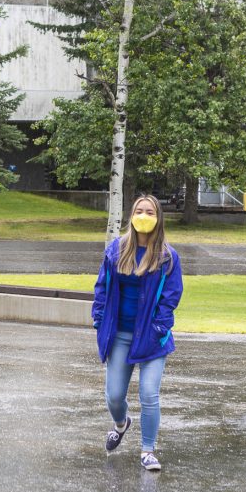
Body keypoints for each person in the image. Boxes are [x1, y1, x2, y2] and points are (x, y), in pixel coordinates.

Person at [91, 194, 183, 471]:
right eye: (139, 211)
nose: (144, 216)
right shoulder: (115, 251)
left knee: (149, 393)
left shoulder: (167, 257)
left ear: (158, 219)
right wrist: (99, 319)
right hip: (119, 334)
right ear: (132, 216)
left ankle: (147, 450)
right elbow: (102, 288)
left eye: (150, 212)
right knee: (115, 396)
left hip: (152, 338)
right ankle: (121, 424)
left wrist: (159, 328)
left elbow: (171, 297)